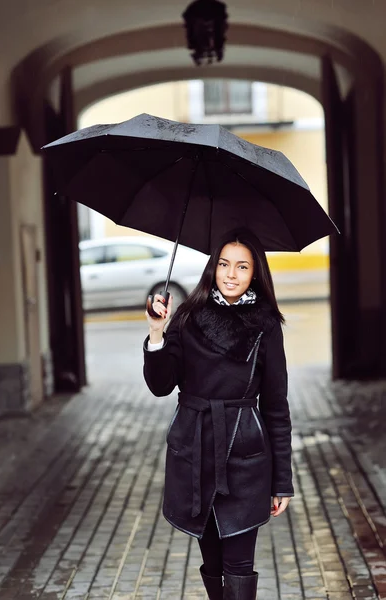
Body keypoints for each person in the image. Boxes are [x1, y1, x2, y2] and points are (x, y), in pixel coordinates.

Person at [143, 228, 294, 600]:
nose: (231, 274)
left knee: (239, 565)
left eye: (242, 267)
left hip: (245, 456)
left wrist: (282, 481)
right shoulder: (188, 317)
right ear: (213, 268)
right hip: (194, 450)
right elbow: (161, 385)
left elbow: (276, 405)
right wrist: (157, 333)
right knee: (212, 563)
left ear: (255, 272)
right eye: (224, 264)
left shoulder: (266, 325)